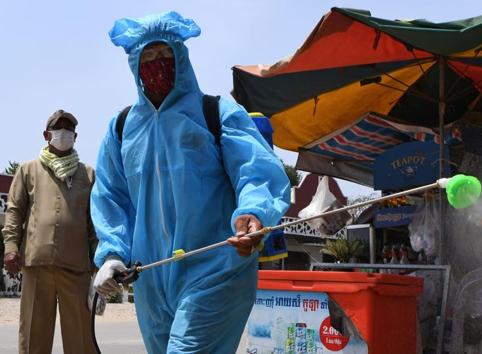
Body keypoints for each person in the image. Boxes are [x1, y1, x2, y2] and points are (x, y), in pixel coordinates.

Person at [91, 12, 291, 353]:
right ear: (134, 65)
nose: (157, 64)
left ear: (182, 58)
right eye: (148, 57)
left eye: (165, 55)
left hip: (216, 268)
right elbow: (111, 196)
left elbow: (255, 171)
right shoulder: (121, 128)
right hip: (151, 278)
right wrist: (112, 254)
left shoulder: (216, 113)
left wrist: (254, 213)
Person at [2, 110, 98, 354]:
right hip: (37, 266)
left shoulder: (87, 174)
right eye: (59, 129)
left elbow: (95, 222)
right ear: (47, 135)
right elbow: (14, 212)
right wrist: (11, 248)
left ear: (75, 136)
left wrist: (100, 260)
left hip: (76, 269)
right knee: (33, 338)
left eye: (69, 130)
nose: (63, 133)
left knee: (81, 341)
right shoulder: (27, 170)